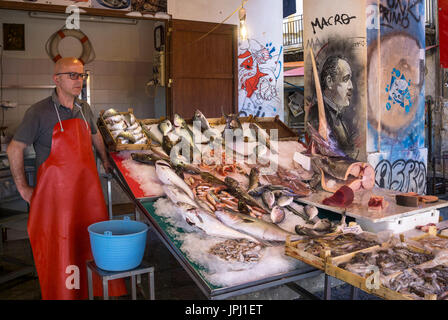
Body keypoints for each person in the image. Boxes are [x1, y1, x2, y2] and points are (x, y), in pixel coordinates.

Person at [7, 57, 126, 300]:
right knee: (60, 251)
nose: (79, 80)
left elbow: (95, 137)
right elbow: (14, 149)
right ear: (56, 79)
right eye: (72, 75)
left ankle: (91, 292)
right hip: (55, 202)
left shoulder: (85, 108)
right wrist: (23, 189)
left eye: (82, 75)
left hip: (87, 197)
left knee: (89, 247)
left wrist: (104, 159)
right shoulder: (38, 112)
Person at [308, 55, 359, 158]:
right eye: (345, 79)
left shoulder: (341, 116)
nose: (351, 86)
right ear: (329, 81)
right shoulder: (316, 113)